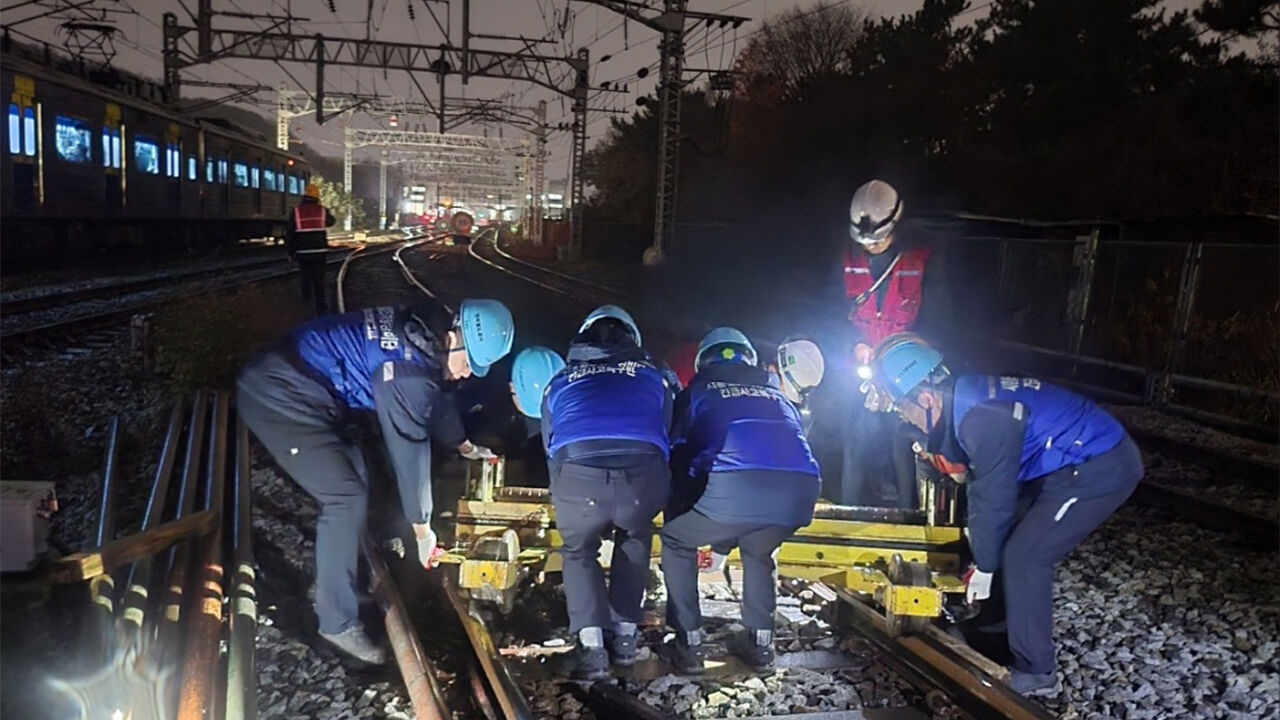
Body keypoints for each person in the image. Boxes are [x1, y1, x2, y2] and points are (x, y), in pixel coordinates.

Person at [236, 298, 514, 664]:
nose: (466, 375)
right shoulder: (408, 371)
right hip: (276, 396)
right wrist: (422, 528)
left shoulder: (425, 331)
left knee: (358, 480)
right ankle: (336, 625)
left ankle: (338, 586)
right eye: (467, 364)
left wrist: (463, 445)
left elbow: (437, 401)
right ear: (454, 338)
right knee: (345, 497)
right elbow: (410, 450)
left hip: (308, 389)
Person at [867, 334, 1143, 695]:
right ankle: (995, 635)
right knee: (1003, 541)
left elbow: (992, 497)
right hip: (1061, 466)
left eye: (905, 409)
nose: (908, 420)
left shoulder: (980, 418)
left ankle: (1037, 670)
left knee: (1026, 555)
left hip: (1097, 464)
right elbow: (986, 494)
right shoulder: (963, 396)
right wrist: (983, 553)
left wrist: (984, 563)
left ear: (926, 397)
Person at [661, 327, 821, 675]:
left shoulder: (696, 394)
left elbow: (681, 456)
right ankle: (761, 645)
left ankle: (688, 641)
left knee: (675, 538)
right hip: (801, 493)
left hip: (737, 487)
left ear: (703, 362)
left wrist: (687, 506)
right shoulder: (778, 395)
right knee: (759, 549)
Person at [541, 305, 674, 680]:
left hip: (577, 475)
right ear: (633, 339)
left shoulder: (560, 380)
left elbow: (550, 443)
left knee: (578, 551)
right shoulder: (653, 375)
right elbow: (668, 431)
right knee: (634, 537)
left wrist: (567, 494)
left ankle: (592, 647)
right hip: (642, 479)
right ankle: (627, 640)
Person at [837, 179, 939, 509]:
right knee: (856, 435)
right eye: (866, 242)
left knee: (903, 440)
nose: (873, 247)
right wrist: (853, 344)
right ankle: (850, 506)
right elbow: (831, 310)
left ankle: (909, 511)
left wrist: (917, 359)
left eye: (878, 240)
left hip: (907, 367)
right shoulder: (845, 259)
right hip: (864, 366)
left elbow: (939, 316)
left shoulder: (921, 260)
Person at [286, 183, 336, 315]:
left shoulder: (296, 211)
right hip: (319, 252)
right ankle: (321, 306)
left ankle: (306, 303)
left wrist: (290, 252)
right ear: (317, 196)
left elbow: (290, 233)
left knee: (305, 278)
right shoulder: (322, 210)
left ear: (304, 195)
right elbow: (331, 222)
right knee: (319, 280)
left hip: (302, 252)